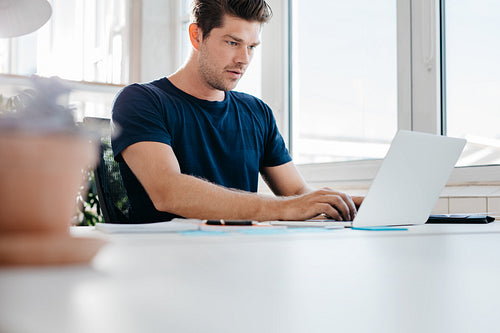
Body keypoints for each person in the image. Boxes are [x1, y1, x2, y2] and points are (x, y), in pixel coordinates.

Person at [111, 0, 363, 223]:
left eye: (252, 46)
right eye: (233, 42)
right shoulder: (141, 101)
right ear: (196, 36)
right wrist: (285, 208)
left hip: (241, 255)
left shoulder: (257, 112)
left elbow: (297, 192)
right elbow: (169, 192)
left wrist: (353, 204)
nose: (244, 59)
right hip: (166, 261)